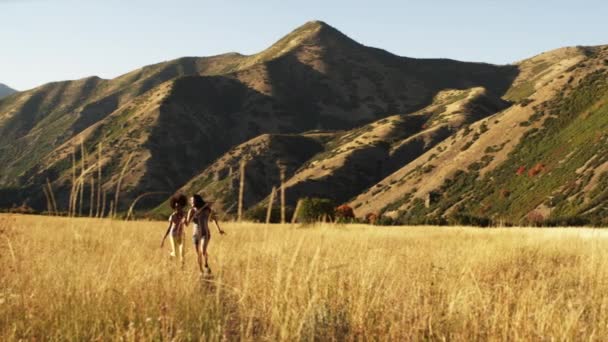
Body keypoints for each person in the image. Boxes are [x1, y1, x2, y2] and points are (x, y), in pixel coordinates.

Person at [185, 194, 225, 273]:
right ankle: (201, 271)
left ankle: (206, 264)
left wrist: (219, 229)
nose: (191, 202)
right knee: (198, 253)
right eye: (191, 201)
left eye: (193, 200)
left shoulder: (207, 210)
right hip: (195, 234)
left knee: (203, 251)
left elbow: (214, 219)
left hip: (205, 233)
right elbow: (187, 224)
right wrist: (184, 221)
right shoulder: (191, 211)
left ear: (197, 201)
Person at [161, 194, 187, 266]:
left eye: (179, 206)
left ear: (182, 206)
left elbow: (187, 223)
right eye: (176, 206)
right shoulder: (172, 216)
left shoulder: (185, 214)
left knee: (182, 252)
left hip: (182, 235)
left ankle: (182, 267)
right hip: (173, 235)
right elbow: (169, 228)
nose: (177, 208)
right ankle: (171, 255)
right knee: (176, 253)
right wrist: (164, 238)